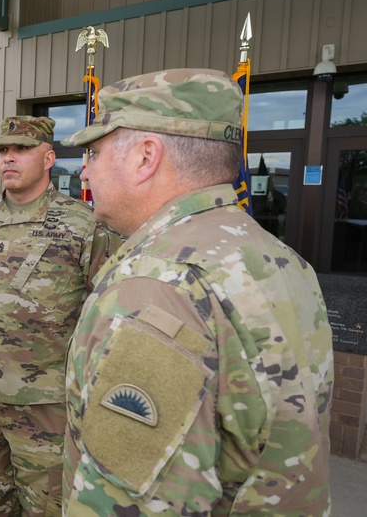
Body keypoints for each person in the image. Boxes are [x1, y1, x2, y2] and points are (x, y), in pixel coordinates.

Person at [62, 68, 333, 514]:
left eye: (93, 152)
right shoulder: (281, 258)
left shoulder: (155, 286)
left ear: (145, 157)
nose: (85, 171)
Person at [0, 116, 121, 515]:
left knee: (45, 507)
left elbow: (109, 311)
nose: (9, 158)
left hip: (46, 403)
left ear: (48, 158)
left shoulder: (83, 224)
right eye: (3, 151)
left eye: (21, 149)